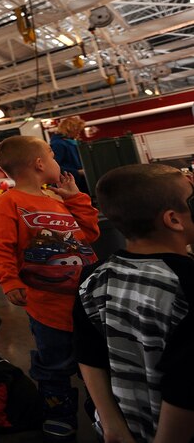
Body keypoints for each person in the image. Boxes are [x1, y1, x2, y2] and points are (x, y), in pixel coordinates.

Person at [0, 136, 100, 442]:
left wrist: (75, 198)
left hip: (86, 303)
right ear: (39, 164)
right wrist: (9, 281)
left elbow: (90, 233)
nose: (56, 162)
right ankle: (59, 415)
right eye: (52, 156)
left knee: (95, 364)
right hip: (48, 308)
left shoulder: (57, 201)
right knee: (53, 366)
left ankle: (102, 412)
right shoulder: (8, 203)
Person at [74, 164, 194, 443]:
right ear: (174, 220)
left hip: (124, 426)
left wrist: (111, 424)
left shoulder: (93, 277)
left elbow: (88, 354)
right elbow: (186, 386)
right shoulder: (186, 283)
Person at [50, 116, 89, 194]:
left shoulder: (70, 142)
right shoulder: (58, 144)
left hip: (78, 181)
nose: (79, 132)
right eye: (77, 130)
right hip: (70, 183)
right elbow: (54, 166)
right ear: (70, 129)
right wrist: (77, 172)